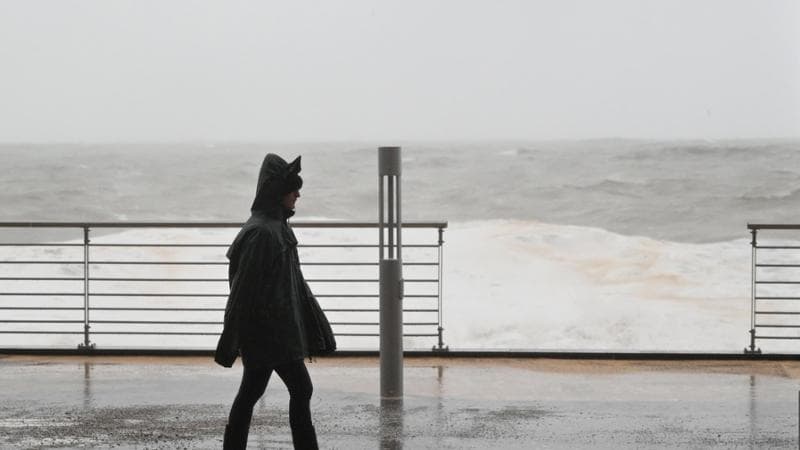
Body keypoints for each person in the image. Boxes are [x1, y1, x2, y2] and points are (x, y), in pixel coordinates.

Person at [215, 153, 336, 450]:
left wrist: (313, 323)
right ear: (277, 192)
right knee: (296, 389)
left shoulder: (276, 227)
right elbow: (242, 292)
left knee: (252, 393)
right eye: (292, 189)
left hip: (276, 334)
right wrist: (230, 340)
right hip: (270, 335)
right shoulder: (262, 233)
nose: (298, 194)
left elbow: (294, 283)